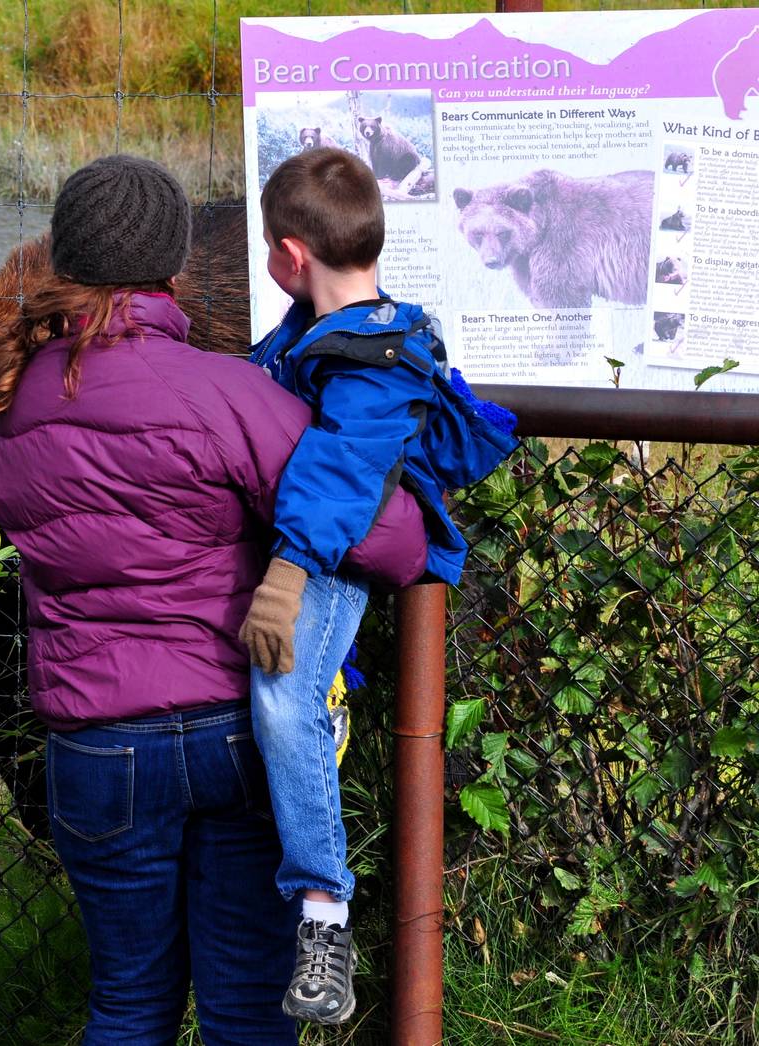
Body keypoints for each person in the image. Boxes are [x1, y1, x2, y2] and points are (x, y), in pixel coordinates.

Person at [0, 154, 428, 1045]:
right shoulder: (227, 393)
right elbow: (393, 540)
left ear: (63, 263)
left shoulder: (14, 401)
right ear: (175, 269)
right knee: (246, 1013)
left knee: (126, 1004)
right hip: (232, 732)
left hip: (95, 743)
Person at [240, 145, 517, 1023]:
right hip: (306, 539)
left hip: (322, 553)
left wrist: (286, 573)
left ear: (288, 257)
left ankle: (325, 916)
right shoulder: (316, 333)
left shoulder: (373, 358)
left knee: (283, 694)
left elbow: (341, 466)